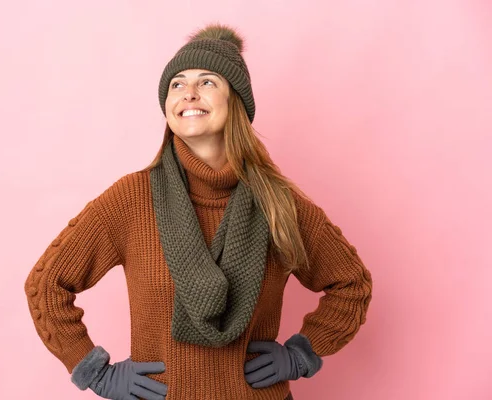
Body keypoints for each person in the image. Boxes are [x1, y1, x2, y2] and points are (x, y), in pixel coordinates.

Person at [24, 23, 373, 400]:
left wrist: (300, 355)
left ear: (235, 100)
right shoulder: (131, 200)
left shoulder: (278, 202)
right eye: (177, 84)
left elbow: (351, 285)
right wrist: (96, 372)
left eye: (207, 82)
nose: (188, 92)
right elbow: (46, 284)